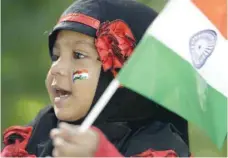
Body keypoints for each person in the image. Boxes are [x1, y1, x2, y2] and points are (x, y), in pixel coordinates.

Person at [1, 0, 191, 157]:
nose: (57, 68)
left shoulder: (159, 146)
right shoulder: (36, 136)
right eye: (56, 56)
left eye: (78, 55)